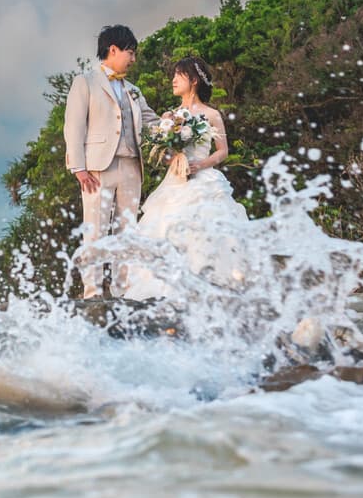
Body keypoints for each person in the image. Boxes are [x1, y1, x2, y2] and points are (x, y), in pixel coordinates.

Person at [122, 56, 250, 300]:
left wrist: (201, 164)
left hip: (204, 180)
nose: (172, 80)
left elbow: (223, 151)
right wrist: (173, 158)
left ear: (192, 80)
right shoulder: (169, 116)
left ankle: (211, 288)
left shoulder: (211, 114)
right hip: (174, 182)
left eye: (177, 75)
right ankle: (166, 291)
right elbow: (163, 151)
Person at [63, 24, 160, 297]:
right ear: (113, 49)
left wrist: (177, 124)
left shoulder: (133, 89)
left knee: (126, 233)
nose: (134, 59)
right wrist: (79, 169)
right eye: (130, 52)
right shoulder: (85, 82)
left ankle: (121, 292)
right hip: (97, 169)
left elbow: (152, 121)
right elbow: (74, 126)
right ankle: (92, 292)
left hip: (131, 166)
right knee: (95, 230)